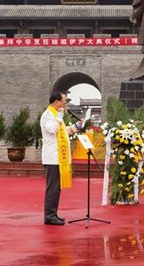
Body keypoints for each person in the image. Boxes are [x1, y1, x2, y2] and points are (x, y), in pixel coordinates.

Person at [40, 90, 83, 225]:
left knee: (56, 188)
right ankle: (49, 216)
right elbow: (52, 129)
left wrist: (78, 126)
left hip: (59, 157)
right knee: (52, 187)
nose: (66, 103)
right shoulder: (48, 115)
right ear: (56, 102)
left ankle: (53, 214)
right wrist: (59, 116)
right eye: (64, 101)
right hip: (52, 157)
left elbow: (65, 132)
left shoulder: (57, 116)